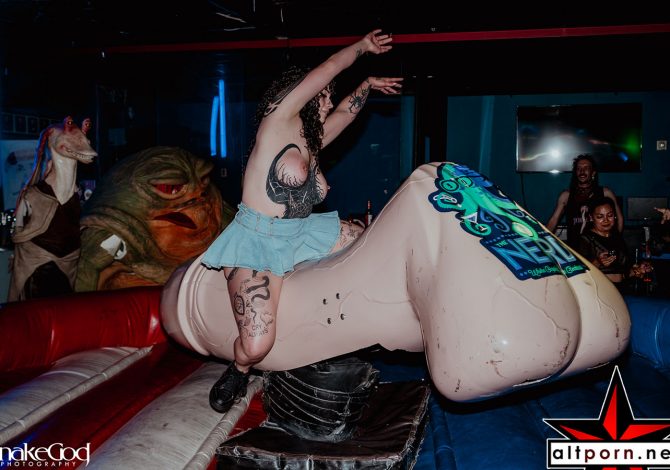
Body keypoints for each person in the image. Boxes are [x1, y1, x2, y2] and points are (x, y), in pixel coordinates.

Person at [200, 30, 402, 413]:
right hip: (258, 238)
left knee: (364, 238)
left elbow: (346, 113)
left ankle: (357, 322)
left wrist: (367, 85)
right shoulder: (278, 120)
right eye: (323, 95)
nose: (328, 100)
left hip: (301, 232)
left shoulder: (312, 141)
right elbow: (328, 68)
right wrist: (362, 48)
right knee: (257, 345)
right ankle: (239, 370)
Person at [546, 154, 623, 249]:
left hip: (600, 249)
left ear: (593, 173)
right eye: (579, 168)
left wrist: (614, 243)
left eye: (586, 168)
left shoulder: (606, 193)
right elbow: (553, 221)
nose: (582, 171)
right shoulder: (566, 195)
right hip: (575, 250)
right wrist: (541, 240)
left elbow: (619, 219)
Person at [576, 196, 652, 288]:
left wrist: (638, 270)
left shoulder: (616, 238)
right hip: (599, 289)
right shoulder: (585, 239)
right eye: (600, 217)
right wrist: (597, 262)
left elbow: (622, 273)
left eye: (610, 215)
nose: (606, 220)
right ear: (591, 218)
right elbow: (577, 273)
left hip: (621, 288)